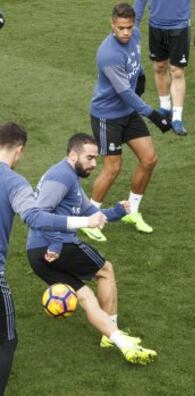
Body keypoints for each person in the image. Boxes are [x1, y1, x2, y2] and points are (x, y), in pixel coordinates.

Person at [26, 133, 157, 366]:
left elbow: (90, 214)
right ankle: (112, 332)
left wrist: (117, 211)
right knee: (105, 270)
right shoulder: (61, 175)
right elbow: (39, 214)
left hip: (36, 254)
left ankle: (116, 340)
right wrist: (56, 243)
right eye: (89, 158)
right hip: (54, 245)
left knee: (86, 296)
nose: (94, 164)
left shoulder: (70, 179)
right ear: (73, 154)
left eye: (96, 158)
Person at [0, 123, 105, 396]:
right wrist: (85, 221)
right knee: (6, 342)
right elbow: (34, 217)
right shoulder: (13, 182)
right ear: (19, 150)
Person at [83, 3, 172, 242]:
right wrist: (153, 114)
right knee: (113, 167)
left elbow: (136, 58)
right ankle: (90, 218)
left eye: (129, 27)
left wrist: (141, 74)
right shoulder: (108, 54)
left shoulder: (136, 35)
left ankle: (132, 210)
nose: (125, 33)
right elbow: (125, 92)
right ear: (112, 24)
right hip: (107, 115)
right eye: (121, 28)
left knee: (149, 159)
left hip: (127, 112)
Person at [134, 0, 195, 135]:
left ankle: (177, 118)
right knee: (159, 67)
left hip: (180, 26)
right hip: (155, 25)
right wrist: (135, 23)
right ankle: (165, 108)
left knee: (177, 72)